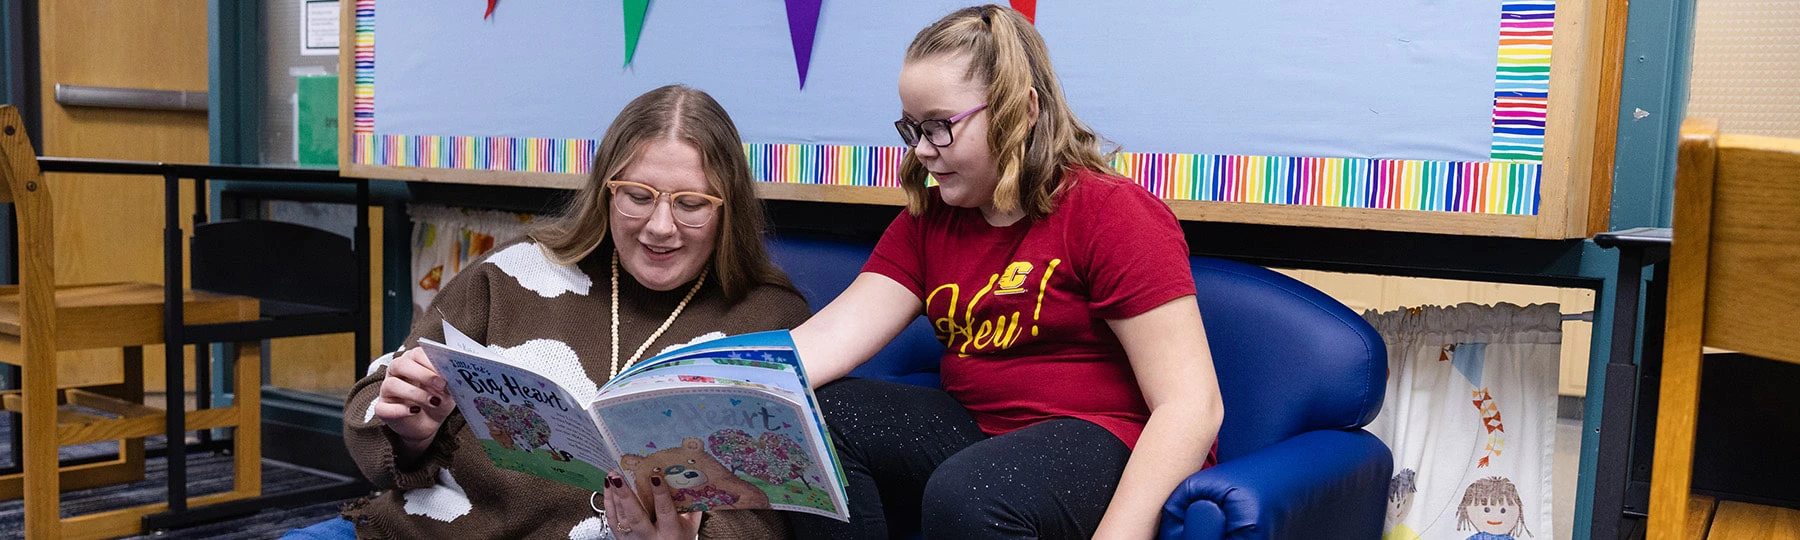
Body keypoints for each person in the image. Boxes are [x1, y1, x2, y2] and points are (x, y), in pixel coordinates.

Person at [785, 5, 1225, 539]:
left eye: (940, 127)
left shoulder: (1112, 213)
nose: (922, 150)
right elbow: (821, 344)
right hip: (982, 434)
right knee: (814, 419)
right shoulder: (928, 221)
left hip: (1108, 440)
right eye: (912, 128)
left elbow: (1192, 406)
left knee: (972, 489)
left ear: (1023, 110)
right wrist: (705, 383)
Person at [332, 85, 811, 540]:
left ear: (729, 210)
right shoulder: (513, 272)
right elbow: (372, 416)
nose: (661, 227)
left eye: (691, 204)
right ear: (606, 191)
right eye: (638, 197)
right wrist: (410, 433)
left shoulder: (770, 316)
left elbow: (782, 510)